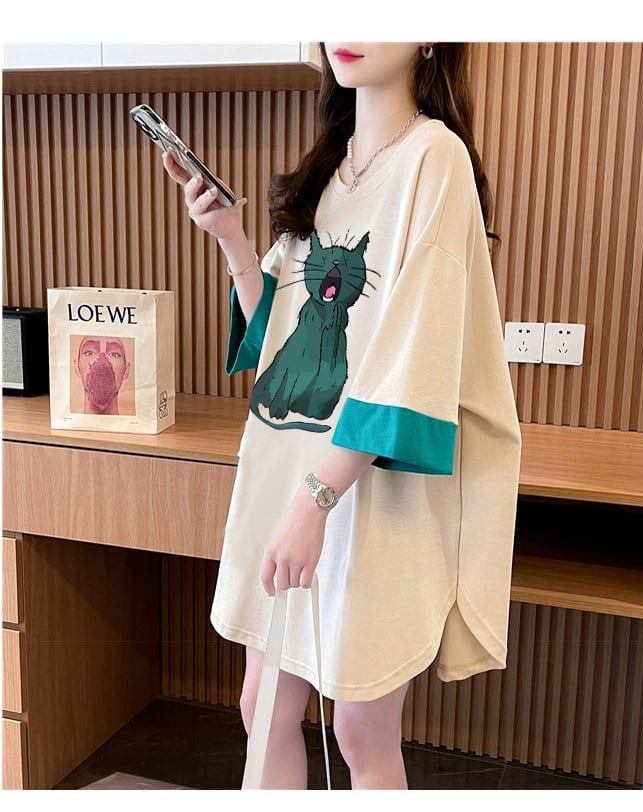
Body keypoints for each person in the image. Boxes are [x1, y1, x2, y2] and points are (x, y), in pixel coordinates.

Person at [161, 42, 522, 790]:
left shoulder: (435, 160)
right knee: (262, 707)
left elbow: (416, 351)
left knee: (360, 731)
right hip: (293, 473)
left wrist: (317, 499)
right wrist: (231, 237)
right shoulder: (327, 170)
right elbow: (283, 341)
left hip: (368, 492)